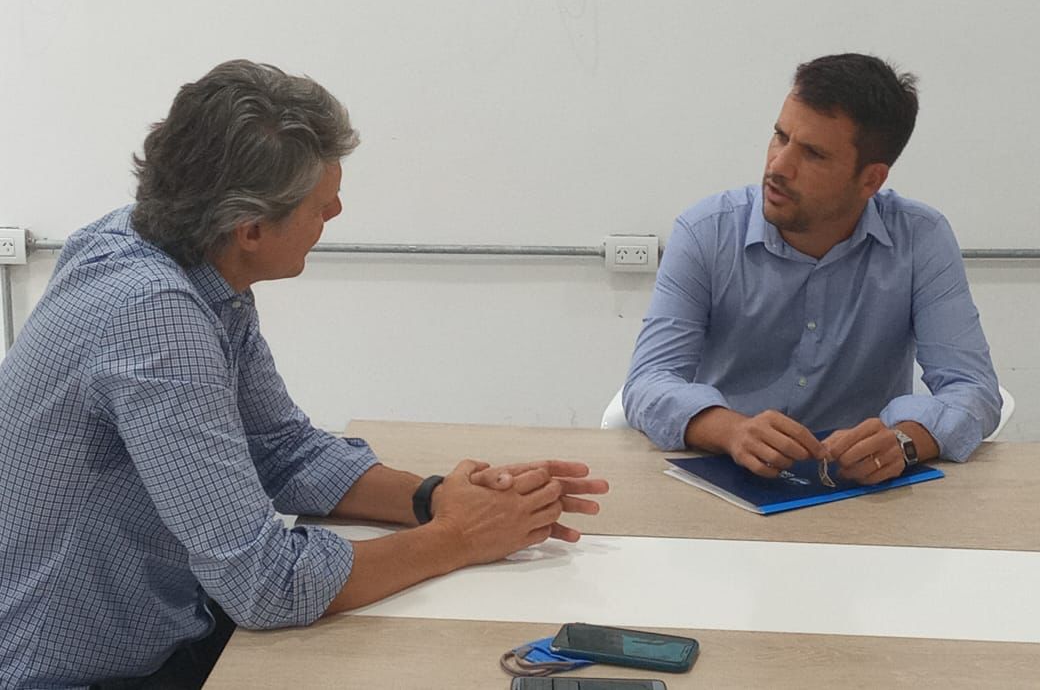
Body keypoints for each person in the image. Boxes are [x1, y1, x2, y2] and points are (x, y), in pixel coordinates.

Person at [0, 60, 608, 689]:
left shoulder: (161, 247)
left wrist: (433, 499)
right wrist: (459, 538)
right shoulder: (155, 316)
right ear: (251, 229)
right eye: (320, 205)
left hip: (160, 632)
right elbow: (264, 585)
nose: (337, 210)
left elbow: (279, 447)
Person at [624, 53, 1000, 484]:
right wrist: (731, 430)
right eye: (780, 136)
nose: (778, 166)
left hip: (860, 488)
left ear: (871, 180)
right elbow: (648, 381)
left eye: (814, 154)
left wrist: (905, 441)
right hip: (727, 476)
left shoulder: (920, 238)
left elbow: (972, 389)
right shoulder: (706, 231)